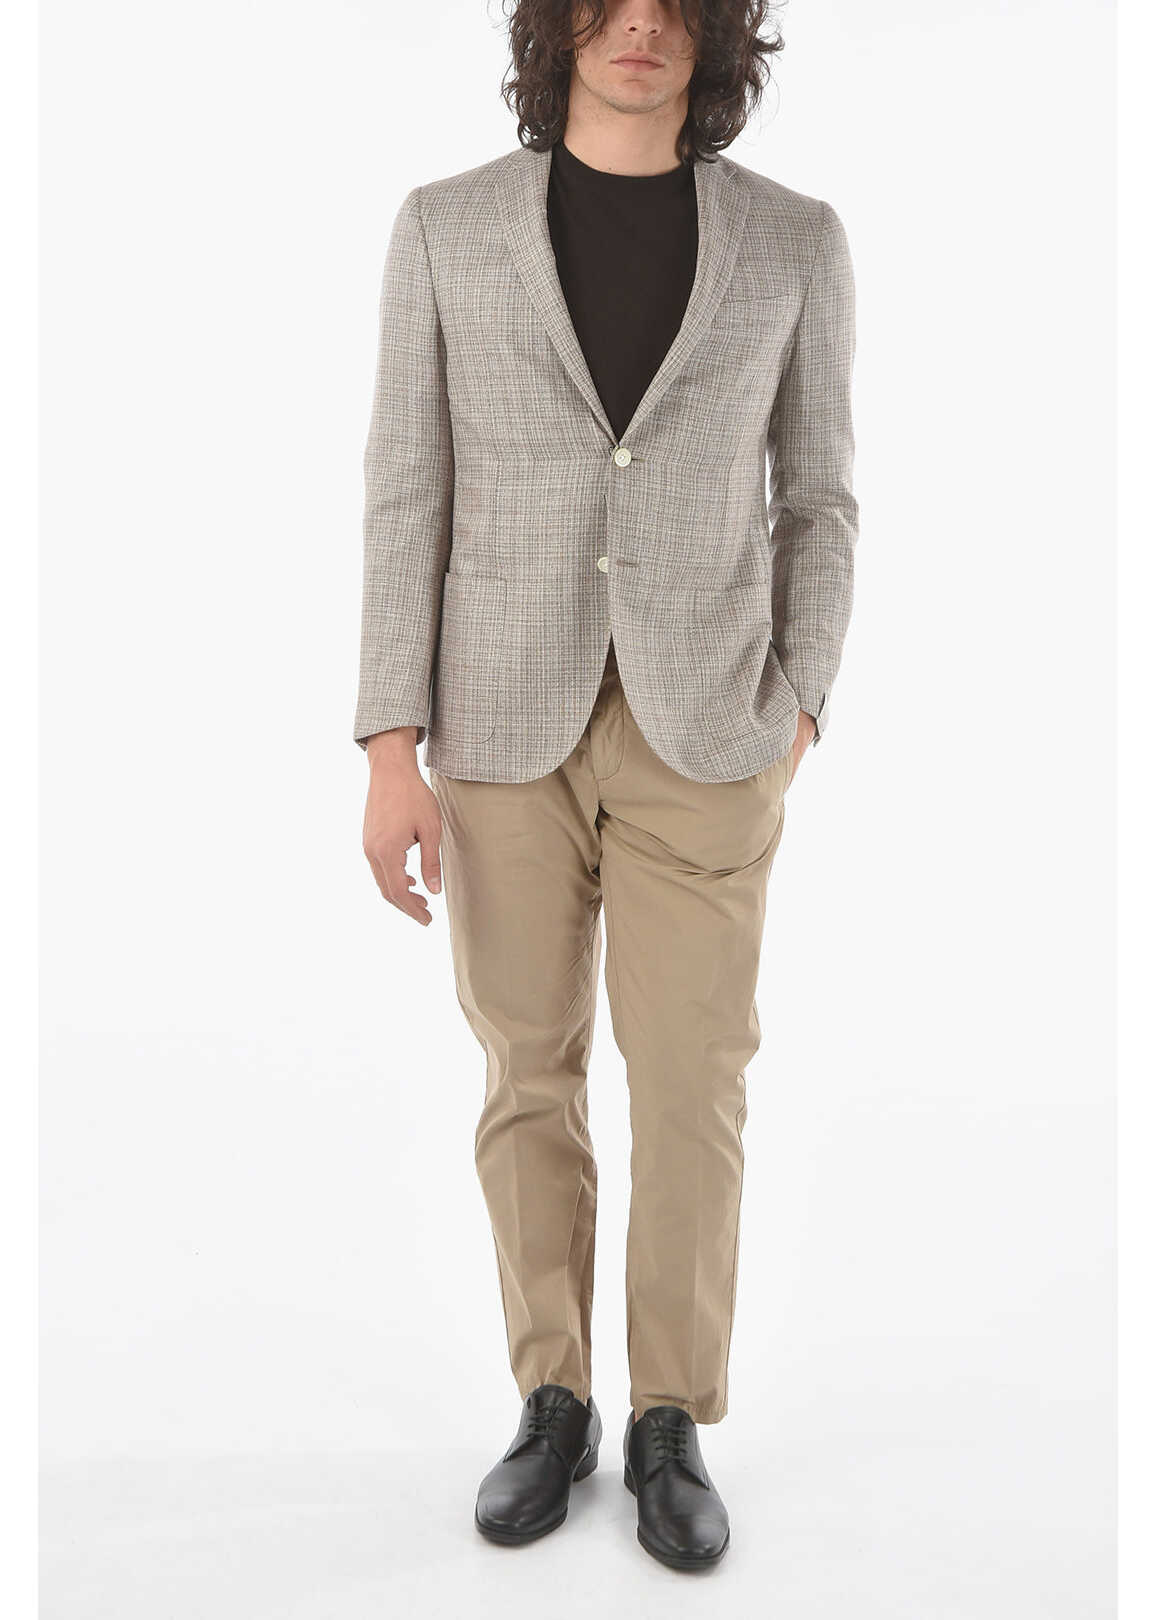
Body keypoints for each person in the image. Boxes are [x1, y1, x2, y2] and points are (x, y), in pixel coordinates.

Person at [355, 0, 856, 1572]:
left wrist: (802, 701)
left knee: (693, 1077)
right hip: (499, 718)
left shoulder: (793, 239)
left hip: (708, 722)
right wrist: (387, 742)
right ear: (554, 26)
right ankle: (553, 1398)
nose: (640, 23)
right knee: (528, 1066)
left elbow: (820, 493)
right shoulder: (443, 229)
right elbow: (406, 486)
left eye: (675, 1)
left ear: (717, 36)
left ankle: (668, 1420)